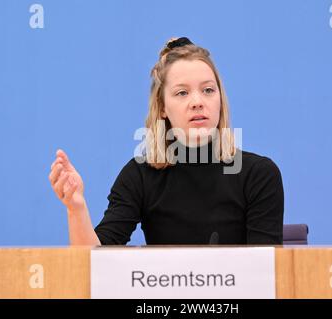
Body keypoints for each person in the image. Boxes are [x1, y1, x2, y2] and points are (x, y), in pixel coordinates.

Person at [48, 37, 284, 246]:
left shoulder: (259, 174)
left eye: (208, 90)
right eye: (182, 93)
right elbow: (93, 262)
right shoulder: (139, 175)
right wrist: (76, 208)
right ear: (162, 108)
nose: (197, 102)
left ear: (220, 99)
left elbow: (265, 275)